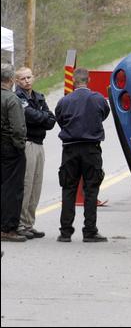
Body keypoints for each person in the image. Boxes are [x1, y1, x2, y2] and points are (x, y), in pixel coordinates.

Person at [54, 68, 110, 242]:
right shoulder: (98, 99)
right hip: (91, 149)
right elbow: (104, 114)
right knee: (91, 190)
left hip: (70, 149)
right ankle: (90, 230)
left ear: (74, 81)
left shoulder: (64, 101)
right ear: (89, 80)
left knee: (68, 188)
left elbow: (60, 119)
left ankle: (65, 232)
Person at [15, 67, 56, 240]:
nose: (27, 81)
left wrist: (42, 118)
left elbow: (51, 120)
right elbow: (31, 116)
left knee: (37, 185)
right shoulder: (18, 98)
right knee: (27, 183)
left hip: (40, 144)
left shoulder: (39, 96)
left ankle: (30, 223)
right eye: (23, 79)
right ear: (17, 81)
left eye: (29, 77)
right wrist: (42, 117)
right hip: (28, 143)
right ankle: (20, 223)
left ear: (34, 77)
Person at [1, 64, 28, 242]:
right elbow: (18, 128)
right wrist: (20, 146)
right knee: (13, 188)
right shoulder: (12, 99)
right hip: (10, 148)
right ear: (11, 80)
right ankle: (9, 228)